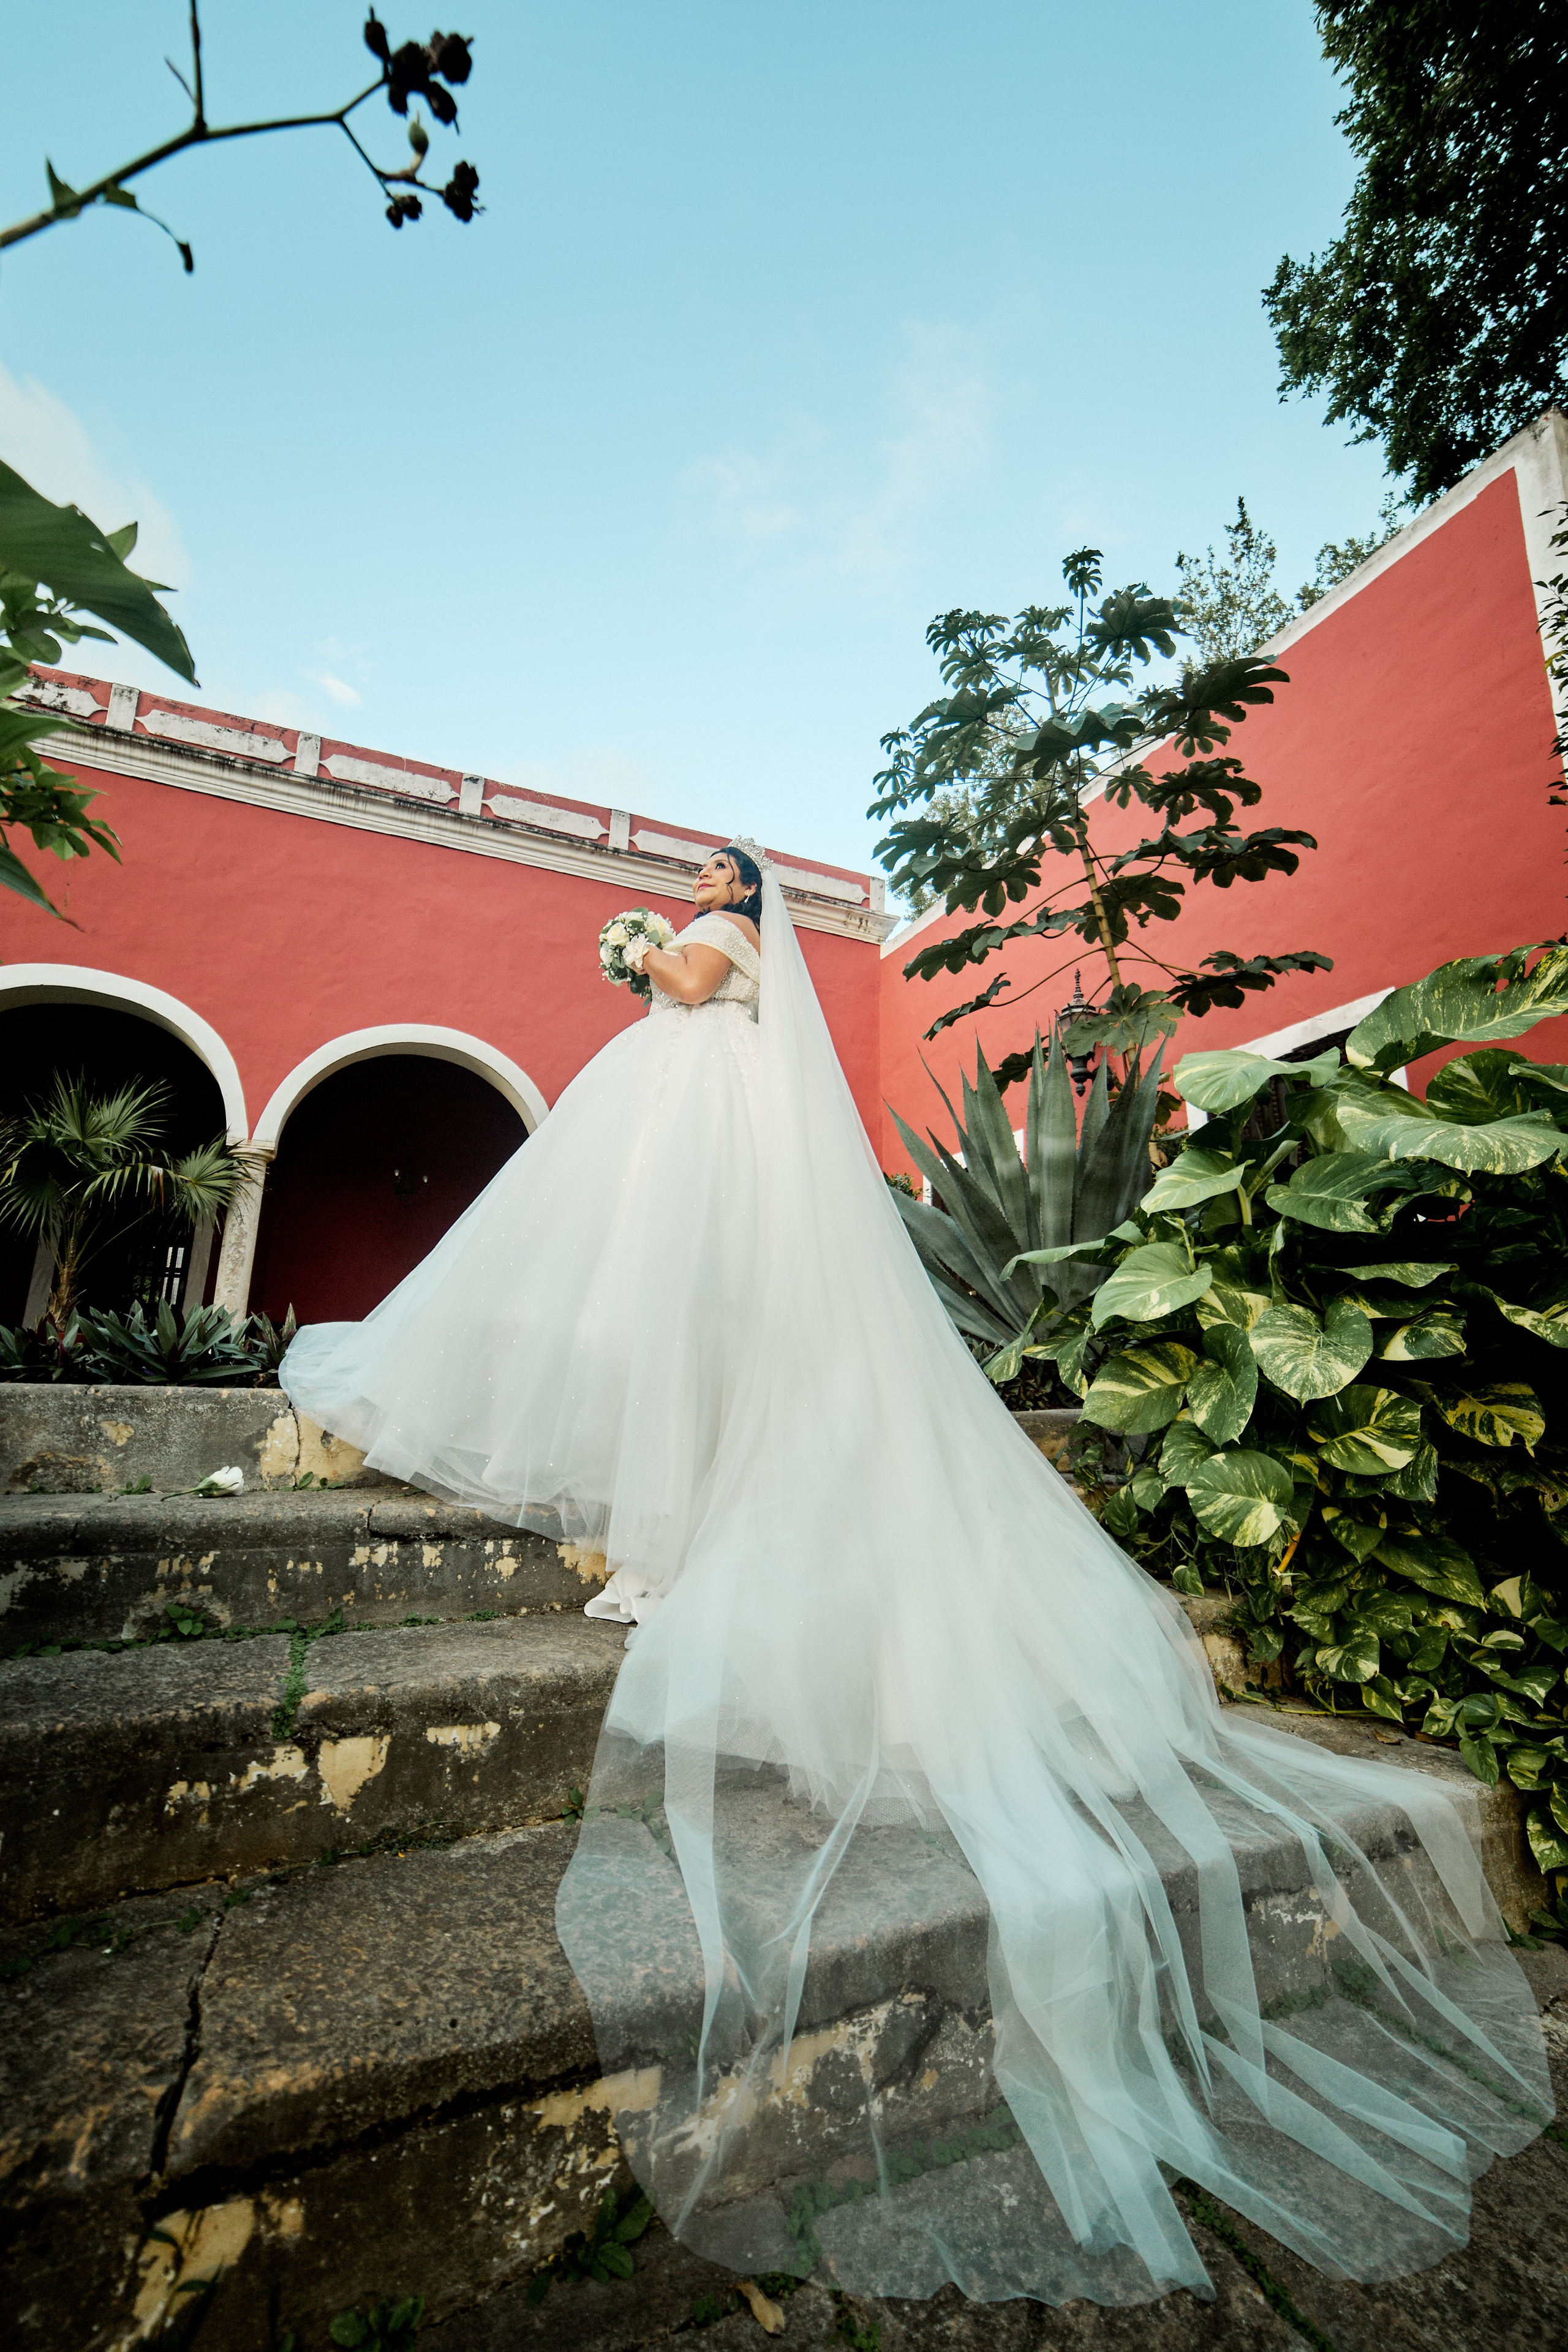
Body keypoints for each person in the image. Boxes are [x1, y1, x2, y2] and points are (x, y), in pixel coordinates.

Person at [281, 842, 1550, 2310]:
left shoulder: (720, 941)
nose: (692, 881)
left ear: (736, 888)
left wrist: (635, 948)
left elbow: (678, 978)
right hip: (683, 1135)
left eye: (708, 870)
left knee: (683, 1317)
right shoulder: (737, 996)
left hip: (694, 1135)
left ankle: (683, 1523)